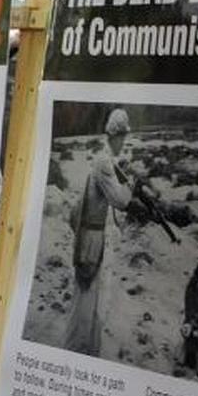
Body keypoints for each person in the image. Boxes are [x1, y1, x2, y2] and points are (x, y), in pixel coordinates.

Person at [64, 108, 134, 356]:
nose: (123, 142)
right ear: (114, 135)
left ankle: (87, 349)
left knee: (92, 299)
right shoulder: (104, 163)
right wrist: (130, 187)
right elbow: (120, 201)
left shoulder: (103, 159)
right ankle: (75, 350)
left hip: (93, 236)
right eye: (122, 137)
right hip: (92, 239)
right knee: (86, 298)